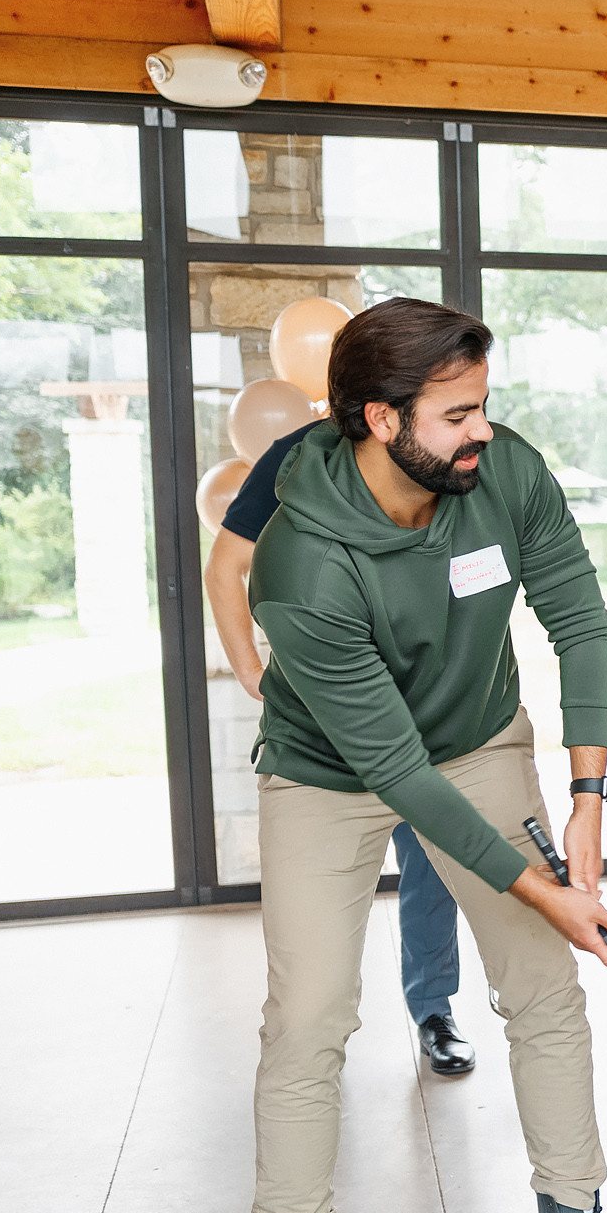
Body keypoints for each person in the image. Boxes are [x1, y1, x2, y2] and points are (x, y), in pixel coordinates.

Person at [241, 297, 607, 1213]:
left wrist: (587, 808)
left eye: (486, 405)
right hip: (330, 770)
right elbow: (397, 775)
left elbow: (581, 621)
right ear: (381, 418)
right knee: (310, 1016)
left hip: (477, 740)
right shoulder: (300, 560)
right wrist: (547, 891)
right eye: (460, 412)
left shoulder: (500, 474)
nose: (485, 430)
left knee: (543, 991)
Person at [207, 418, 476, 1077]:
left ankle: (434, 1009)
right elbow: (224, 568)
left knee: (433, 867)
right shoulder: (292, 459)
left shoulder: (443, 454)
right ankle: (317, 1031)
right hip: (325, 722)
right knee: (321, 890)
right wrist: (251, 672)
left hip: (422, 715)